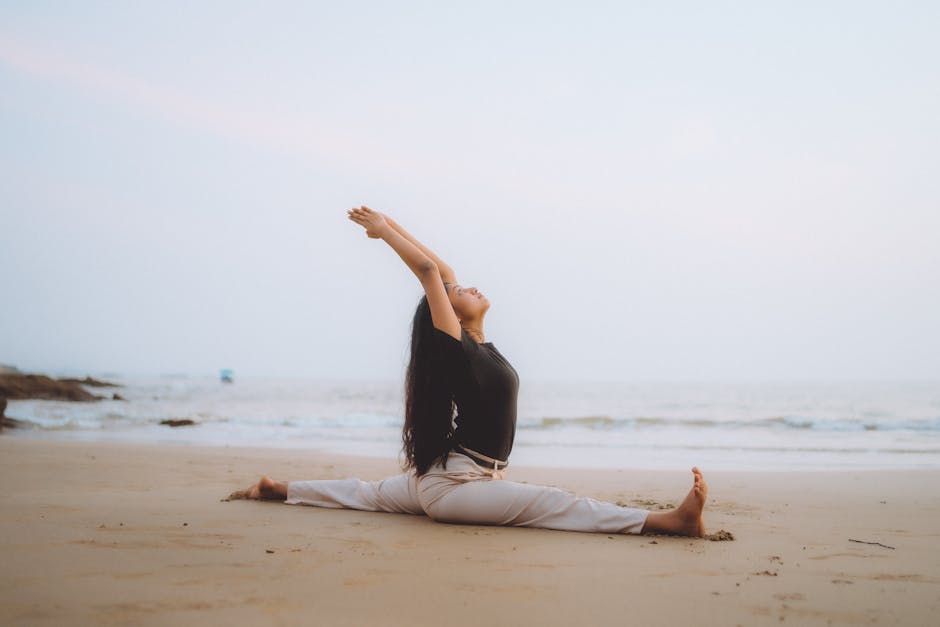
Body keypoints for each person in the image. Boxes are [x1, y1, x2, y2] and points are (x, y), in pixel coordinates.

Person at [228, 205, 707, 537]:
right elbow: (429, 273)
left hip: (446, 478)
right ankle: (668, 522)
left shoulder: (481, 349)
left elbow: (440, 267)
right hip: (456, 488)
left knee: (365, 493)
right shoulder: (455, 348)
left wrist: (390, 222)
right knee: (553, 503)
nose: (468, 286)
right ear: (449, 316)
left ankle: (276, 489)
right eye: (460, 292)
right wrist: (384, 234)